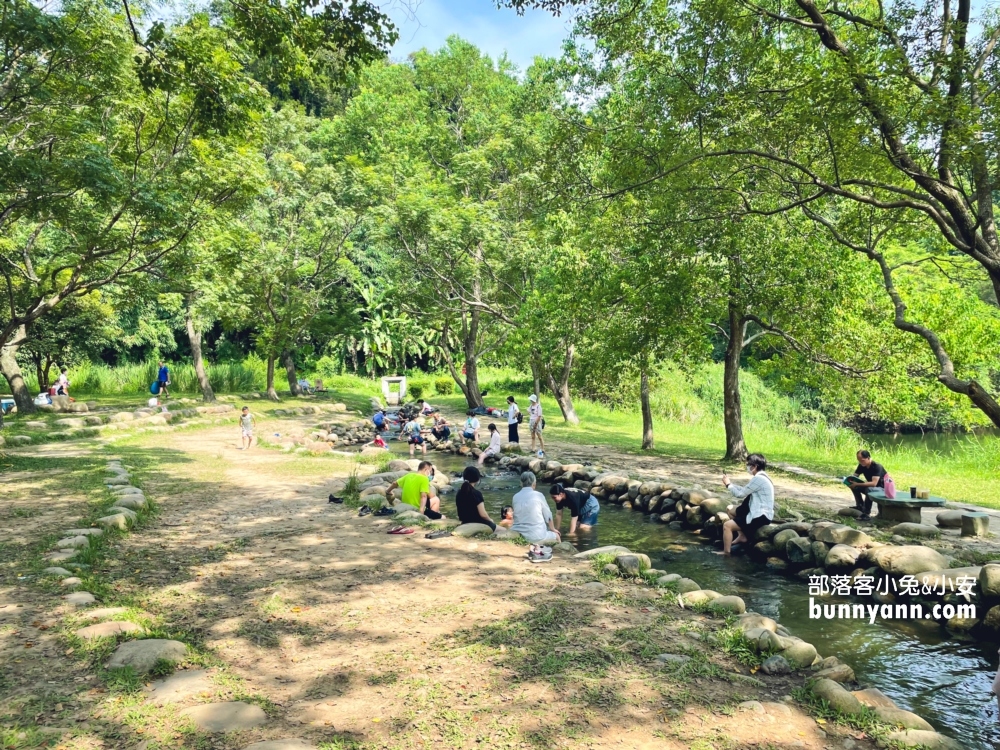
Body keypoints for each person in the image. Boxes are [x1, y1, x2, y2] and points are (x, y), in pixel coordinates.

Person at [718, 453, 774, 556]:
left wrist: (728, 485)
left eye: (748, 464)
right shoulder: (762, 477)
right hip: (757, 511)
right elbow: (745, 490)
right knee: (730, 509)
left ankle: (726, 553)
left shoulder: (759, 479)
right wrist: (731, 484)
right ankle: (742, 536)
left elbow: (740, 494)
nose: (747, 466)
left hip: (760, 516)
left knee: (727, 526)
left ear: (755, 466)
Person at [511, 471, 560, 544]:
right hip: (537, 535)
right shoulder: (539, 495)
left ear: (521, 483)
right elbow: (548, 516)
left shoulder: (515, 496)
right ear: (534, 483)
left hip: (518, 532)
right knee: (557, 536)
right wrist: (553, 529)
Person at [847, 449, 887, 521]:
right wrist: (850, 481)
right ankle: (860, 505)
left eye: (862, 460)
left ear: (868, 458)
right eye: (859, 460)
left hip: (882, 489)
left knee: (869, 489)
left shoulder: (877, 466)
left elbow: (874, 483)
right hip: (871, 487)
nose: (861, 462)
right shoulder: (862, 465)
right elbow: (855, 476)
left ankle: (866, 513)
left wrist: (858, 483)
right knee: (854, 486)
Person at [455, 466, 496, 530]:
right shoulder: (476, 493)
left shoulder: (459, 493)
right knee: (504, 530)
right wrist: (490, 520)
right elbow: (483, 514)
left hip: (464, 523)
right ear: (477, 479)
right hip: (479, 524)